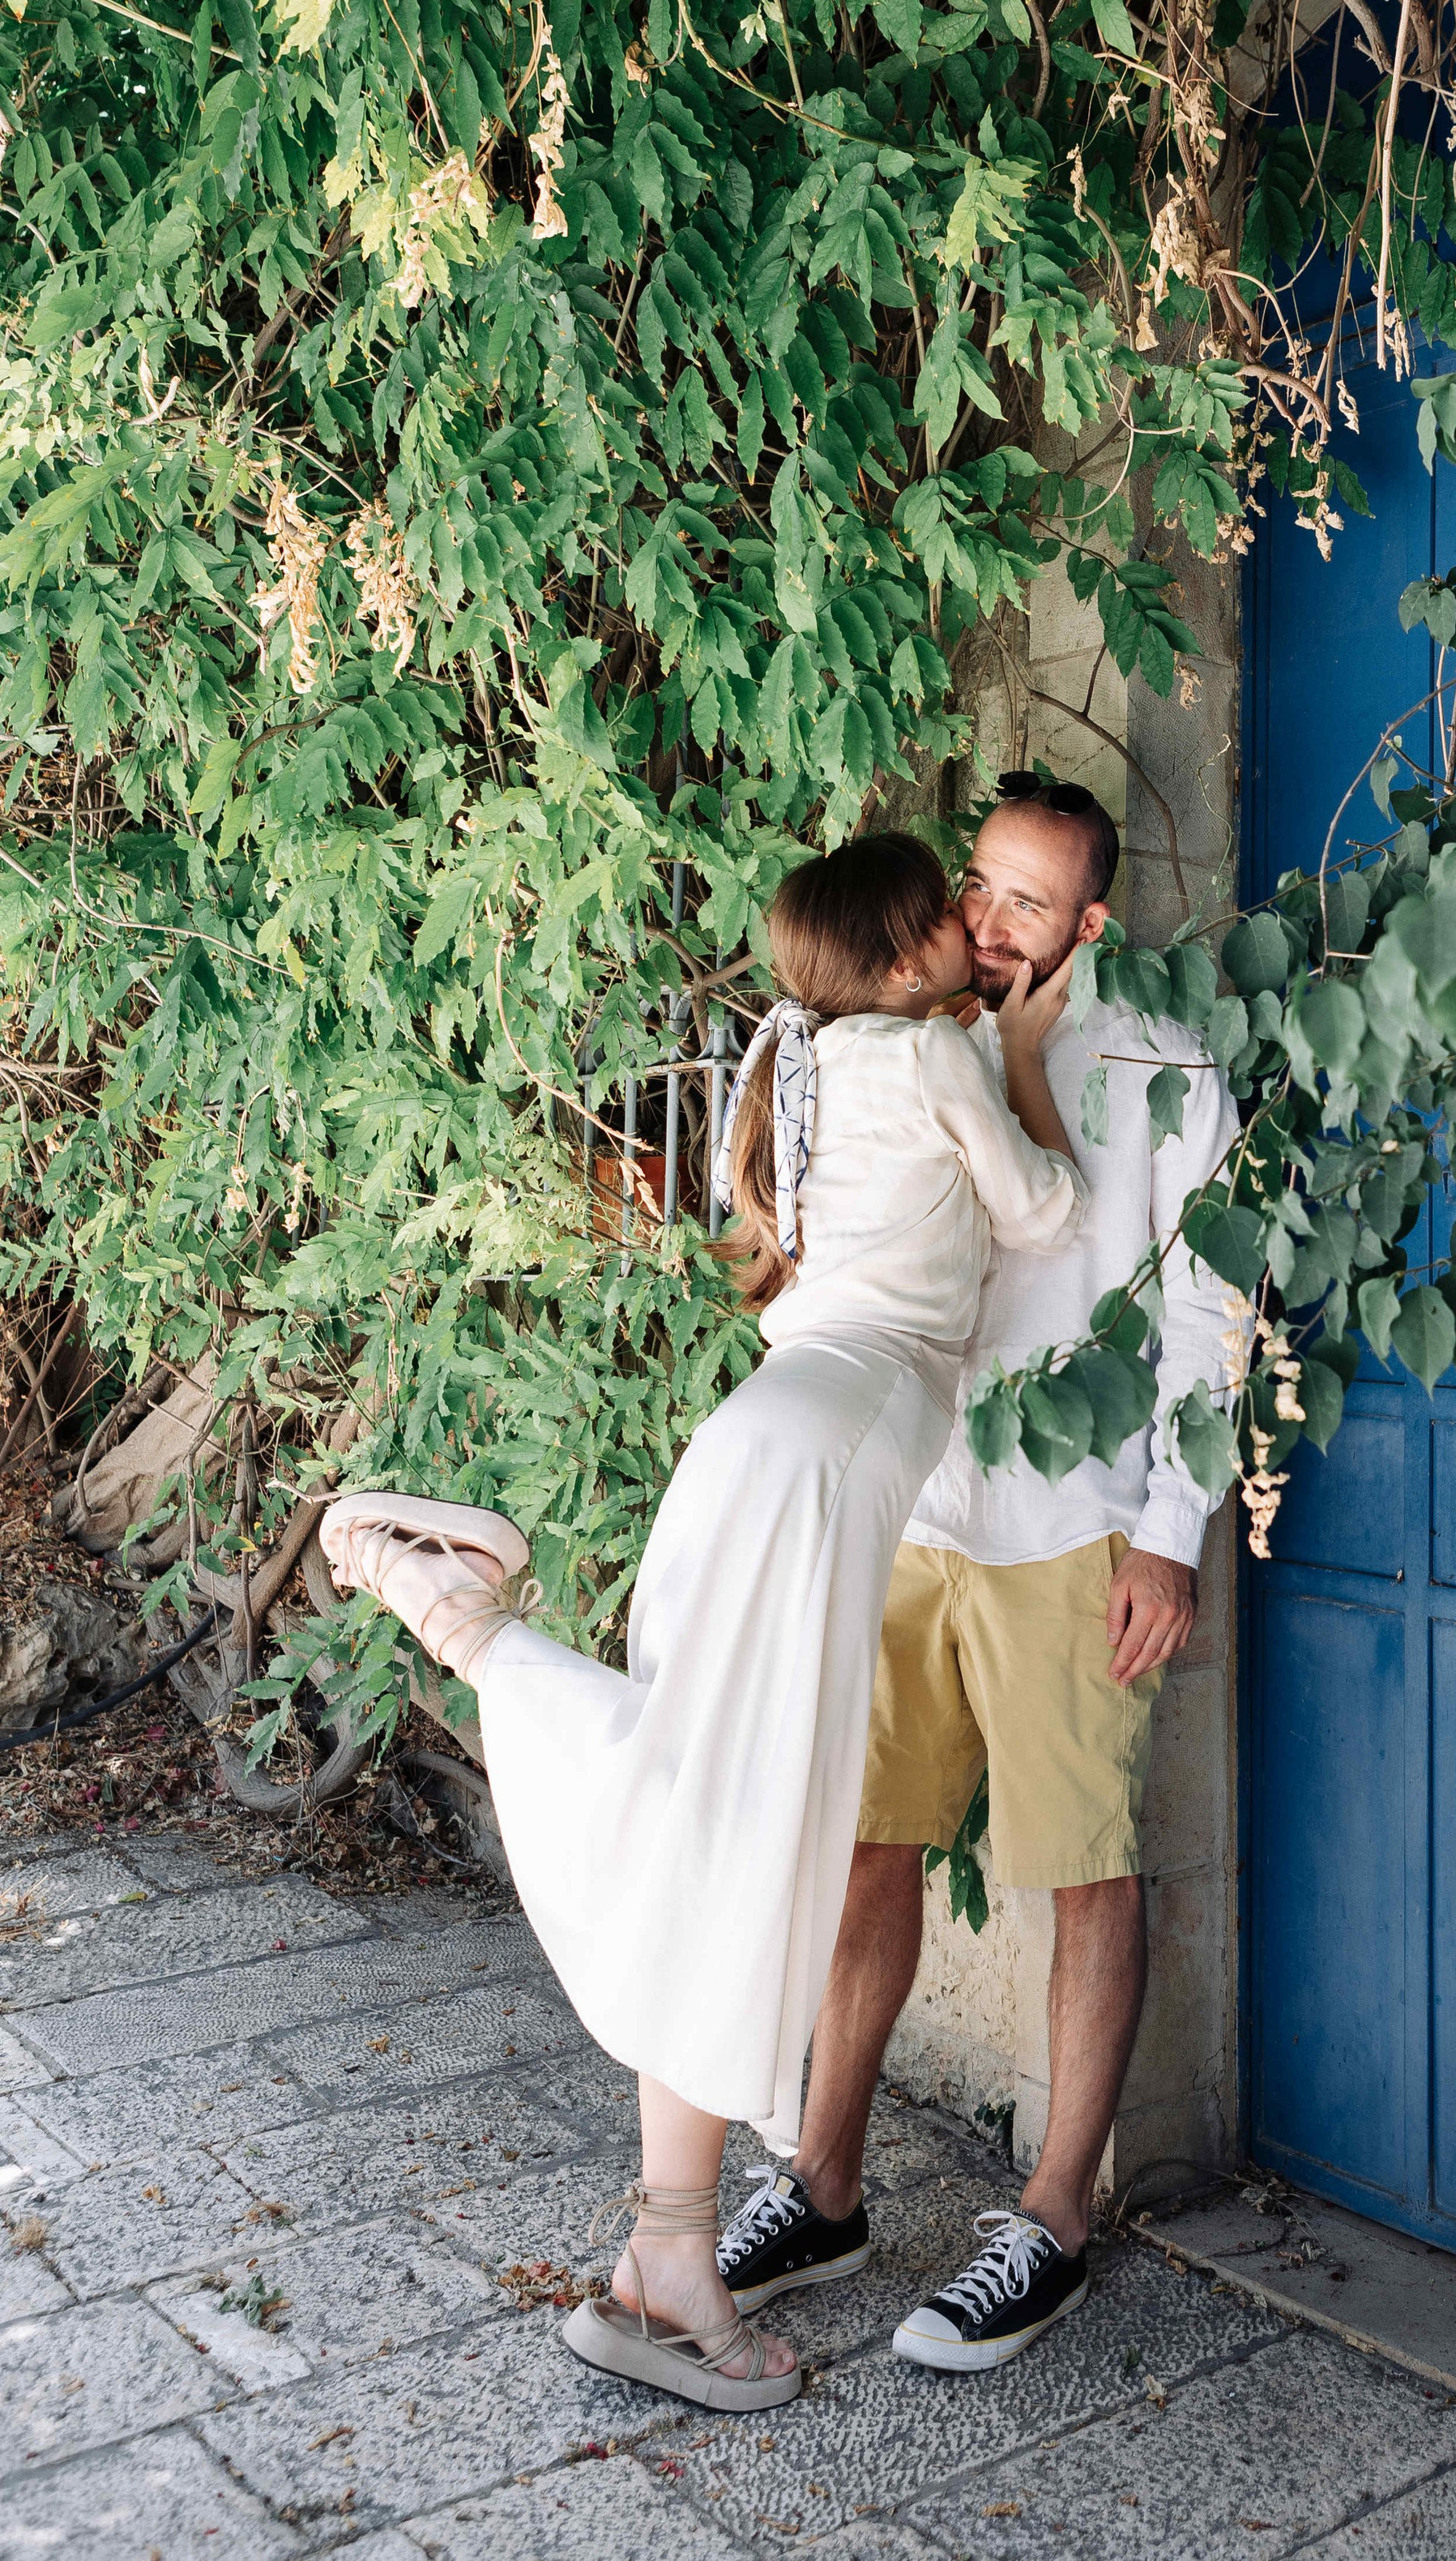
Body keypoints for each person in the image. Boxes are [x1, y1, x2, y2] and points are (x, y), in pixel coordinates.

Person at [317, 832, 1087, 2415]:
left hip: (766, 1448)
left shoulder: (802, 1067)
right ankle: (437, 1596)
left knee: (710, 1818)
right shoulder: (932, 1059)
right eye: (951, 911)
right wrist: (1017, 1059)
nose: (972, 921)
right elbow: (1051, 1214)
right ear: (900, 961)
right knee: (731, 1830)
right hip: (814, 1471)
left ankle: (667, 2260)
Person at [713, 777, 1240, 2374]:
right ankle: (821, 2183)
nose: (994, 926)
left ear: (1089, 924)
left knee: (1083, 1861)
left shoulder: (1158, 1070)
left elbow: (1217, 1311)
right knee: (867, 1849)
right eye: (980, 890)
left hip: (1071, 1526)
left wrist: (1170, 1531)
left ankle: (1053, 2211)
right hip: (902, 1507)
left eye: (1033, 904)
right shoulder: (884, 1047)